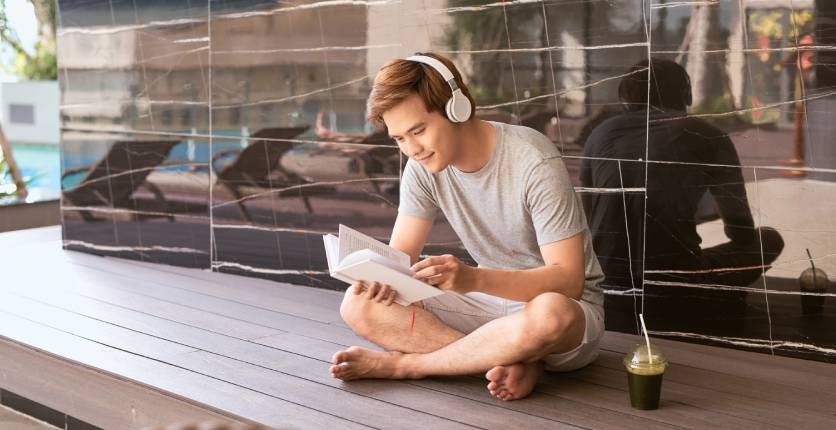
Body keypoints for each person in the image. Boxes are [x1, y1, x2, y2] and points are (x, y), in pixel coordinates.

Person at [328, 52, 605, 401]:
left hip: (564, 314)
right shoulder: (421, 169)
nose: (411, 149)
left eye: (418, 131)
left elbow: (569, 281)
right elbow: (400, 259)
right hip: (489, 309)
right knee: (357, 304)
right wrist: (382, 280)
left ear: (457, 108)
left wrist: (472, 279)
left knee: (551, 312)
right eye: (399, 138)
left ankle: (408, 366)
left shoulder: (533, 160)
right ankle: (512, 360)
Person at [581, 58, 783, 311]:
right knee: (769, 240)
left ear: (626, 97)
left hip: (605, 285)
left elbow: (591, 221)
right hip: (676, 286)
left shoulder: (601, 134)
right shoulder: (708, 135)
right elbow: (740, 231)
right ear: (686, 94)